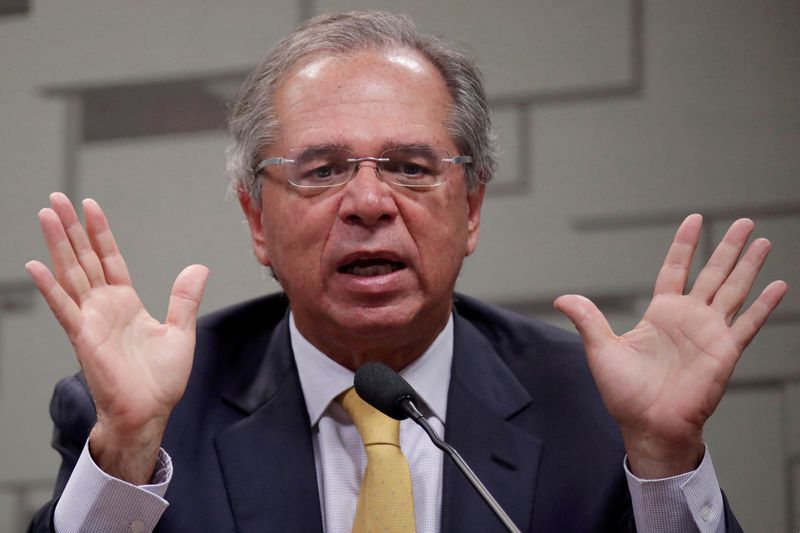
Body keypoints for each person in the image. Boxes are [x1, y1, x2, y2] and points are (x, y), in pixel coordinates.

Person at [26, 11, 786, 533]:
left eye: (410, 166)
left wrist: (662, 460)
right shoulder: (146, 418)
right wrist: (124, 451)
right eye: (321, 169)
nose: (367, 201)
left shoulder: (600, 409)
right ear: (258, 219)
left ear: (473, 206)